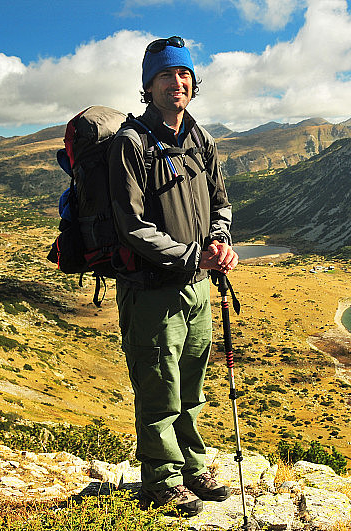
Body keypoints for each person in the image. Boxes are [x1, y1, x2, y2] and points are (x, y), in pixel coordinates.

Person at [108, 35, 239, 517]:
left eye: (183, 74)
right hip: (152, 292)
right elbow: (132, 227)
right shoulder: (131, 143)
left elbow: (220, 203)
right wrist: (192, 257)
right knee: (158, 385)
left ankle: (193, 465)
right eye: (166, 75)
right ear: (149, 85)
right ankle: (161, 479)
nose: (176, 82)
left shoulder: (201, 138)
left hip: (199, 289)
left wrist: (221, 242)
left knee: (191, 385)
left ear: (193, 82)